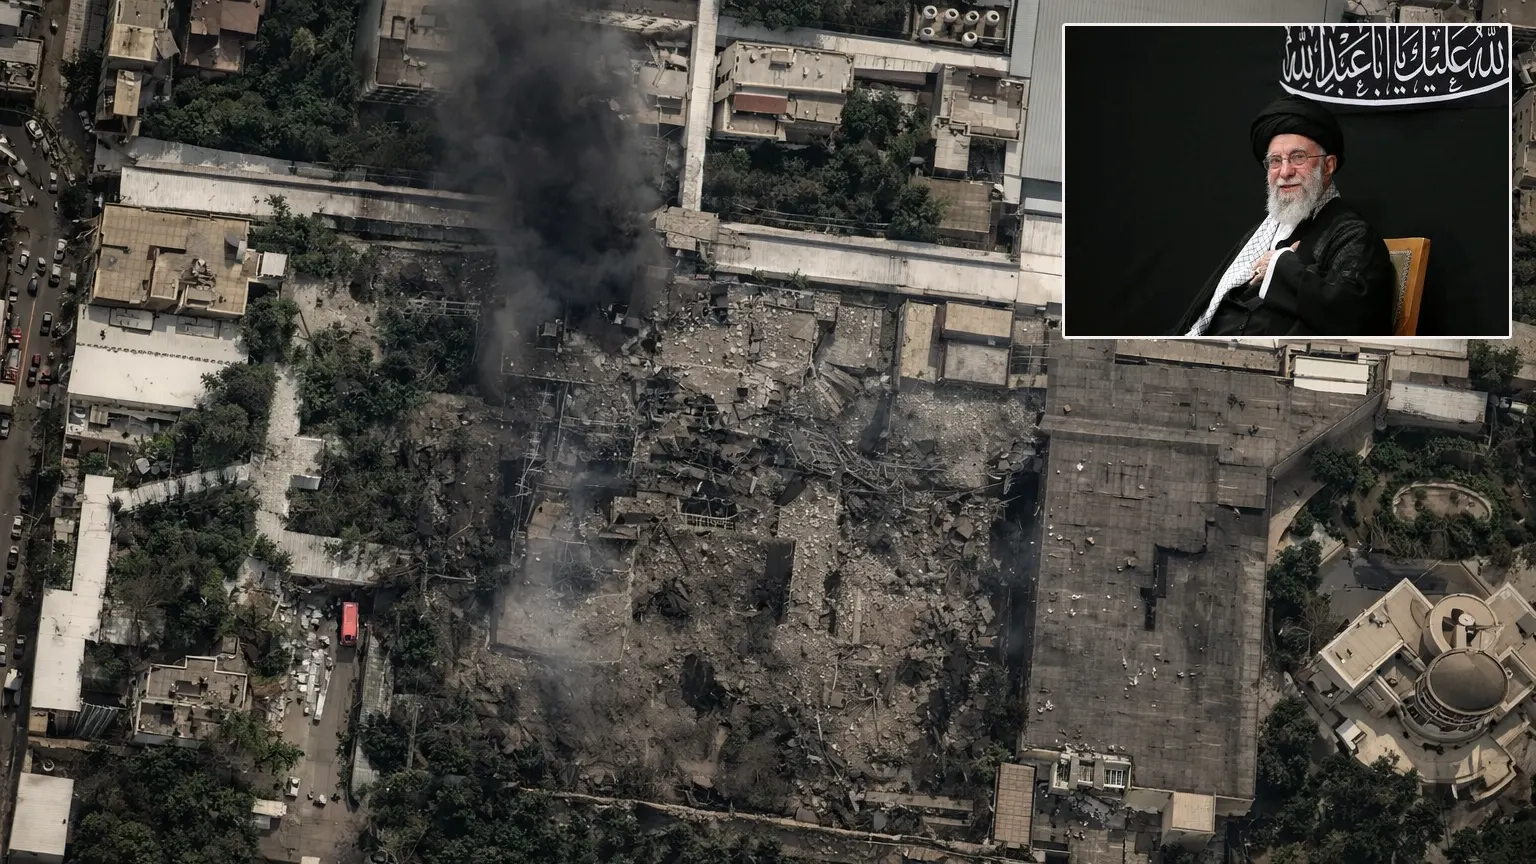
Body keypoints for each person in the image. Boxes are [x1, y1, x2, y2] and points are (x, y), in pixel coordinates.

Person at [1171, 95, 1397, 337]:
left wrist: (1280, 265)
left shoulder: (1353, 235)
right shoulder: (1264, 231)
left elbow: (1353, 314)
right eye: (1275, 161)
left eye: (1298, 157)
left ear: (1328, 166)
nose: (1285, 172)